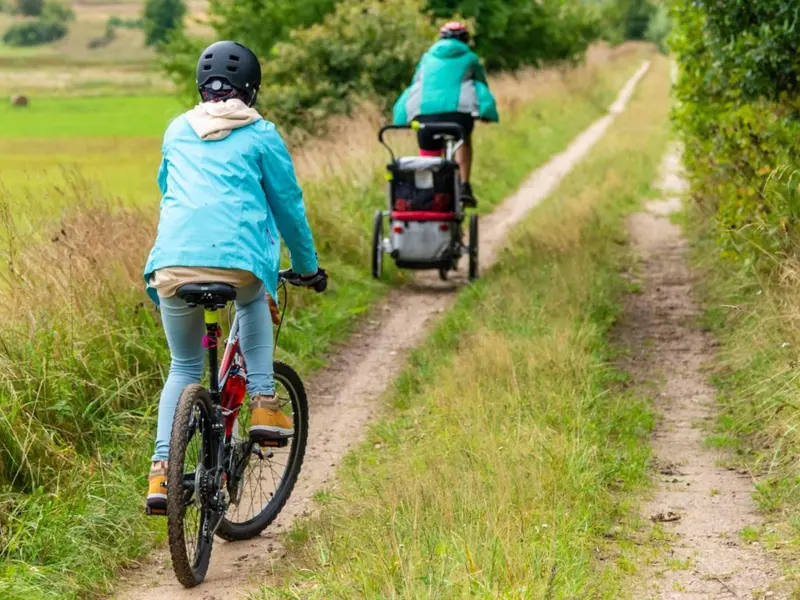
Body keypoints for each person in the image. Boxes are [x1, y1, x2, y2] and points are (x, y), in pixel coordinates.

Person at [143, 41, 326, 513]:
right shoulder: (261, 133)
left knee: (182, 368)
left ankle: (161, 473)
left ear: (201, 88)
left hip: (172, 265)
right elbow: (288, 206)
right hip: (238, 264)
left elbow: (169, 189)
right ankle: (264, 399)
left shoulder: (177, 129)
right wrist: (306, 267)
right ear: (252, 88)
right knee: (252, 294)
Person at [393, 22, 499, 207]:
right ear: (465, 40)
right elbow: (481, 86)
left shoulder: (426, 59)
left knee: (429, 153)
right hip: (458, 117)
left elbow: (414, 87)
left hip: (425, 117)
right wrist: (486, 113)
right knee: (463, 140)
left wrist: (403, 119)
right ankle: (464, 186)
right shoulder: (470, 58)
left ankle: (430, 191)